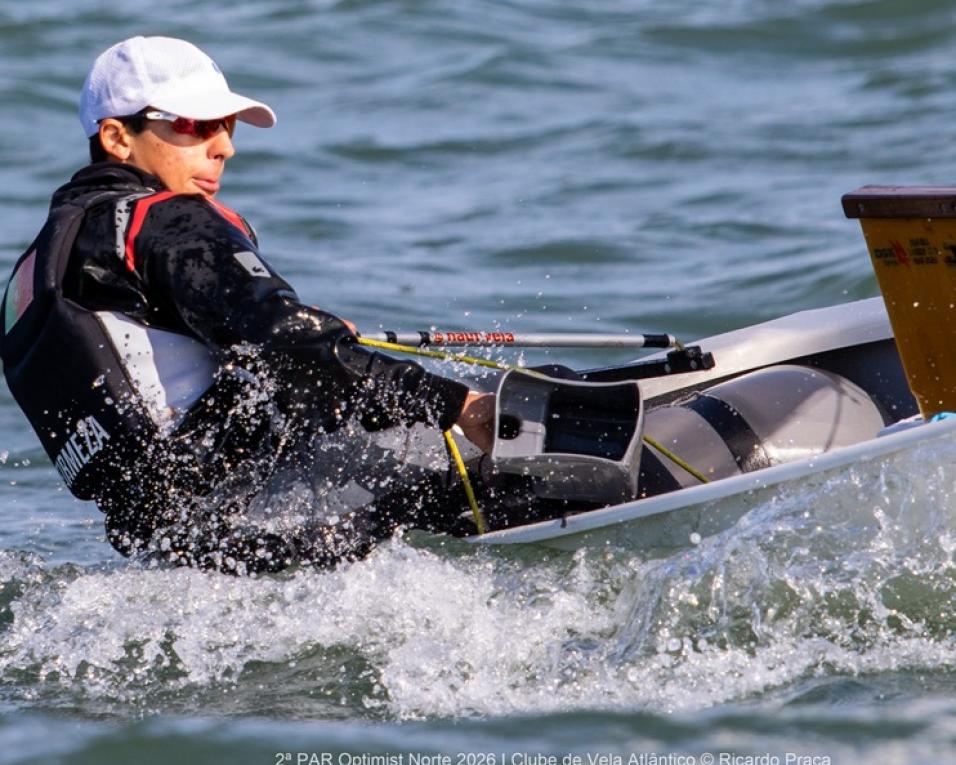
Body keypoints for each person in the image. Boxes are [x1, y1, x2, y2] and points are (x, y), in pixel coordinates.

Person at [0, 36, 499, 574]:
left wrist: (315, 338)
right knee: (533, 419)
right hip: (281, 508)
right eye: (194, 125)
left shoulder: (41, 267)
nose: (223, 147)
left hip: (184, 550)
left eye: (227, 127)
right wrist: (456, 403)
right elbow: (285, 344)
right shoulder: (163, 218)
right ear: (118, 138)